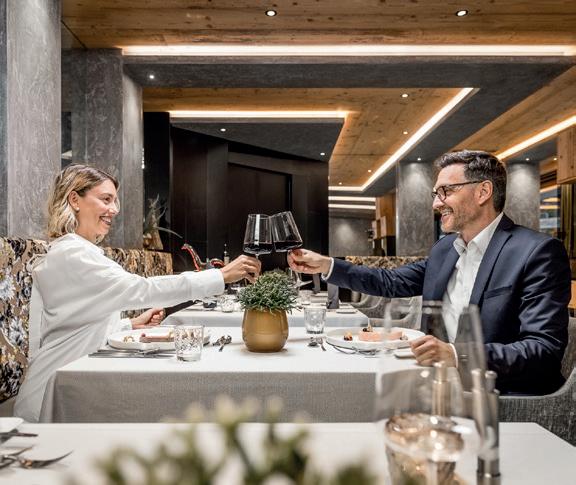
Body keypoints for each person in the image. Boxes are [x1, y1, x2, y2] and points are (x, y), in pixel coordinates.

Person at [289, 150, 571, 395]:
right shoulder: (445, 249)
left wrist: (456, 355)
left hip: (501, 396)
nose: (436, 204)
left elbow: (543, 350)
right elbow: (391, 282)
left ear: (483, 192)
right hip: (434, 383)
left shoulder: (537, 252)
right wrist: (327, 265)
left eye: (446, 191)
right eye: (436, 194)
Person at [15, 164, 261, 422]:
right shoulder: (72, 254)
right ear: (74, 199)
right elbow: (142, 289)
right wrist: (221, 276)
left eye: (115, 201)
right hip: (55, 392)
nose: (114, 209)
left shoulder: (76, 251)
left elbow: (72, 324)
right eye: (106, 199)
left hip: (75, 377)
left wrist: (129, 325)